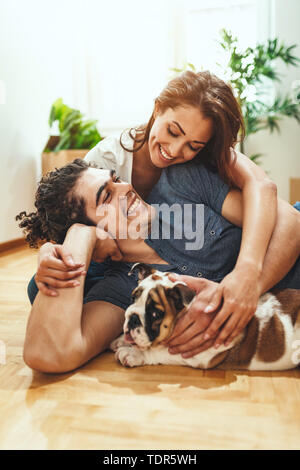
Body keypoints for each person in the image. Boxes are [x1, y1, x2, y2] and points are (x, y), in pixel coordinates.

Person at [17, 160, 300, 373]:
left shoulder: (179, 186)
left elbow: (288, 220)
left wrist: (249, 284)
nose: (126, 189)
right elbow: (46, 353)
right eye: (106, 196)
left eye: (117, 180)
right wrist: (80, 235)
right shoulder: (123, 290)